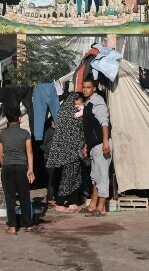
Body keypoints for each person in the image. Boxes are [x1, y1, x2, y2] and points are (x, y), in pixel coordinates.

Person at [0, 107, 35, 234]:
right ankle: (28, 224)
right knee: (25, 196)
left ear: (7, 119)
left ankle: (12, 226)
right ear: (19, 118)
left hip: (8, 167)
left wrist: (5, 165)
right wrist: (30, 170)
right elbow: (29, 152)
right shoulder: (25, 133)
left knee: (10, 197)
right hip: (21, 167)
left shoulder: (2, 134)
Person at [46, 93, 86, 213]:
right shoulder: (67, 115)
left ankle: (73, 202)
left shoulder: (63, 114)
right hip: (69, 151)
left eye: (80, 103)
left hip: (76, 150)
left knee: (76, 176)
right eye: (76, 103)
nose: (77, 106)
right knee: (67, 178)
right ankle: (59, 203)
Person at [82, 79, 112, 217]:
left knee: (102, 175)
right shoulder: (88, 103)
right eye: (84, 87)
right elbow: (90, 128)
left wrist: (105, 142)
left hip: (101, 144)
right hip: (94, 145)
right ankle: (93, 205)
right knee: (95, 176)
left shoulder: (98, 101)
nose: (85, 89)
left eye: (88, 87)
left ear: (94, 88)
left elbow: (104, 123)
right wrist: (87, 145)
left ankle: (101, 207)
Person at [41, 117, 56, 204]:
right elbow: (42, 145)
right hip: (49, 158)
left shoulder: (57, 132)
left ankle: (52, 196)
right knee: (52, 178)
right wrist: (50, 152)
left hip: (55, 158)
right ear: (52, 122)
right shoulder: (49, 132)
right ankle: (50, 198)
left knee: (54, 178)